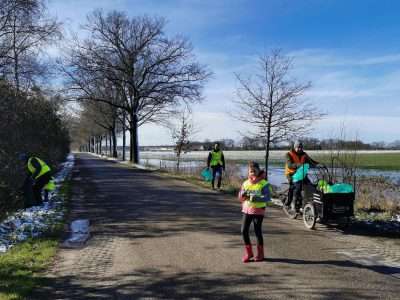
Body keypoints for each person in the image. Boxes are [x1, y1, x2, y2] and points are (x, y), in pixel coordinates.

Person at [238, 161, 271, 263]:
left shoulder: (264, 183)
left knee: (257, 232)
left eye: (254, 171)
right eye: (250, 171)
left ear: (258, 171)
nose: (252, 173)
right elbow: (240, 197)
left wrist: (253, 198)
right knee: (243, 231)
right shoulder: (245, 183)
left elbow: (267, 198)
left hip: (258, 211)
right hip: (246, 210)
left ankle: (260, 254)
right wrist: (241, 195)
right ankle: (249, 253)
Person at [284, 141, 318, 212]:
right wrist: (299, 165)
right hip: (291, 174)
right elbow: (290, 165)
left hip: (301, 173)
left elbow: (311, 161)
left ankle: (306, 202)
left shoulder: (304, 154)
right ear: (294, 147)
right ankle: (291, 203)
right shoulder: (288, 154)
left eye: (301, 147)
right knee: (297, 187)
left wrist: (318, 164)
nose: (299, 149)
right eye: (298, 147)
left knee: (310, 185)